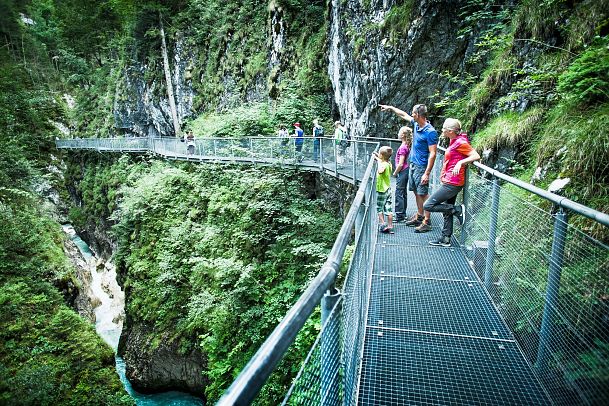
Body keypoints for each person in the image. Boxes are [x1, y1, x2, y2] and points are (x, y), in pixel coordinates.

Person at [379, 103, 438, 233]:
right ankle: (420, 215)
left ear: (419, 115)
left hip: (421, 166)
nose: (411, 114)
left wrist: (427, 173)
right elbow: (403, 114)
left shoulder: (430, 132)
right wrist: (391, 108)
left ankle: (427, 221)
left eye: (413, 112)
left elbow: (433, 153)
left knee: (423, 193)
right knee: (416, 191)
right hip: (412, 164)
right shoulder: (417, 125)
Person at [424, 118, 480, 247]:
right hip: (450, 180)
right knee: (446, 210)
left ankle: (457, 210)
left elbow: (476, 156)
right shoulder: (454, 140)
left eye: (443, 129)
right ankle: (445, 238)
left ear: (450, 131)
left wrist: (461, 162)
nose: (442, 130)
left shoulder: (460, 142)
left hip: (453, 183)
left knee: (428, 205)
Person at [373, 146, 394, 234]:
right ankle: (390, 225)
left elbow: (381, 170)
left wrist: (378, 163)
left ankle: (382, 223)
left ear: (382, 155)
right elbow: (382, 161)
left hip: (381, 190)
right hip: (388, 189)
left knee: (379, 208)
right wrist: (377, 158)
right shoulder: (389, 163)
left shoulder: (383, 165)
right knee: (388, 208)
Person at [393, 126, 412, 222]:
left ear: (403, 135)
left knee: (399, 192)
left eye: (400, 132)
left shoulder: (403, 147)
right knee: (403, 192)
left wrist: (395, 173)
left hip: (402, 171)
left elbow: (401, 163)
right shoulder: (406, 146)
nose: (398, 133)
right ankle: (402, 214)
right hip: (406, 170)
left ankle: (399, 216)